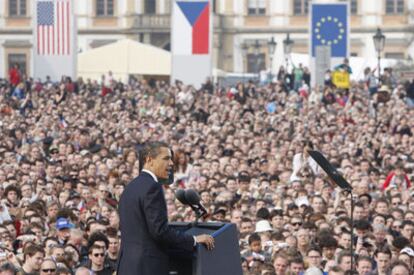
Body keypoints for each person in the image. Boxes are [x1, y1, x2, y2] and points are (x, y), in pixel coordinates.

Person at [117, 142, 214, 275]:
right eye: (166, 158)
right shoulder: (152, 187)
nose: (171, 164)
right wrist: (194, 239)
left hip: (127, 266)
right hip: (147, 267)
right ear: (149, 160)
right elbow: (159, 231)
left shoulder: (130, 187)